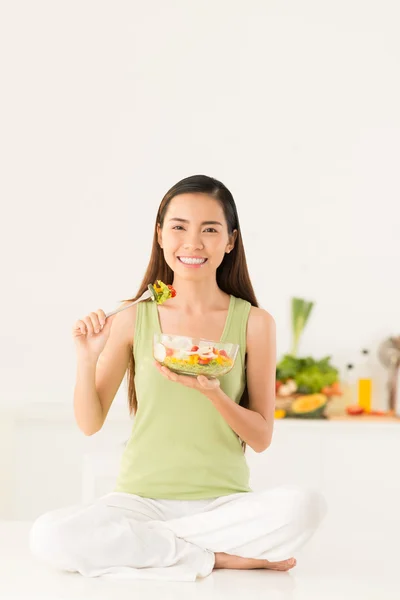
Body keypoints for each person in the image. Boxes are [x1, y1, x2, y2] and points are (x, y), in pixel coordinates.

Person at [29, 174, 327, 582]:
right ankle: (215, 557)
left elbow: (260, 438)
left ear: (230, 241)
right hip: (139, 501)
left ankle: (155, 547)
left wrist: (215, 394)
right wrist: (86, 358)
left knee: (306, 506)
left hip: (224, 505)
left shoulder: (255, 323)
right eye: (179, 227)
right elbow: (89, 423)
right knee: (48, 536)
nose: (193, 243)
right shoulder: (133, 316)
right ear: (160, 235)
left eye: (210, 230)